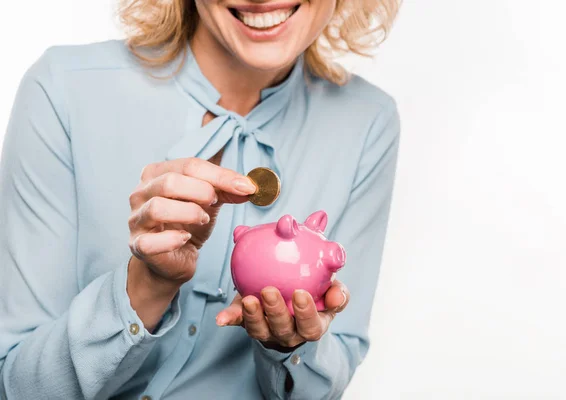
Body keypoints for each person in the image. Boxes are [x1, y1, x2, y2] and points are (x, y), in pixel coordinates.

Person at [0, 0, 401, 398]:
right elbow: (15, 385)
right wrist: (145, 285)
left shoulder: (367, 121)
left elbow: (326, 384)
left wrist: (291, 347)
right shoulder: (64, 88)